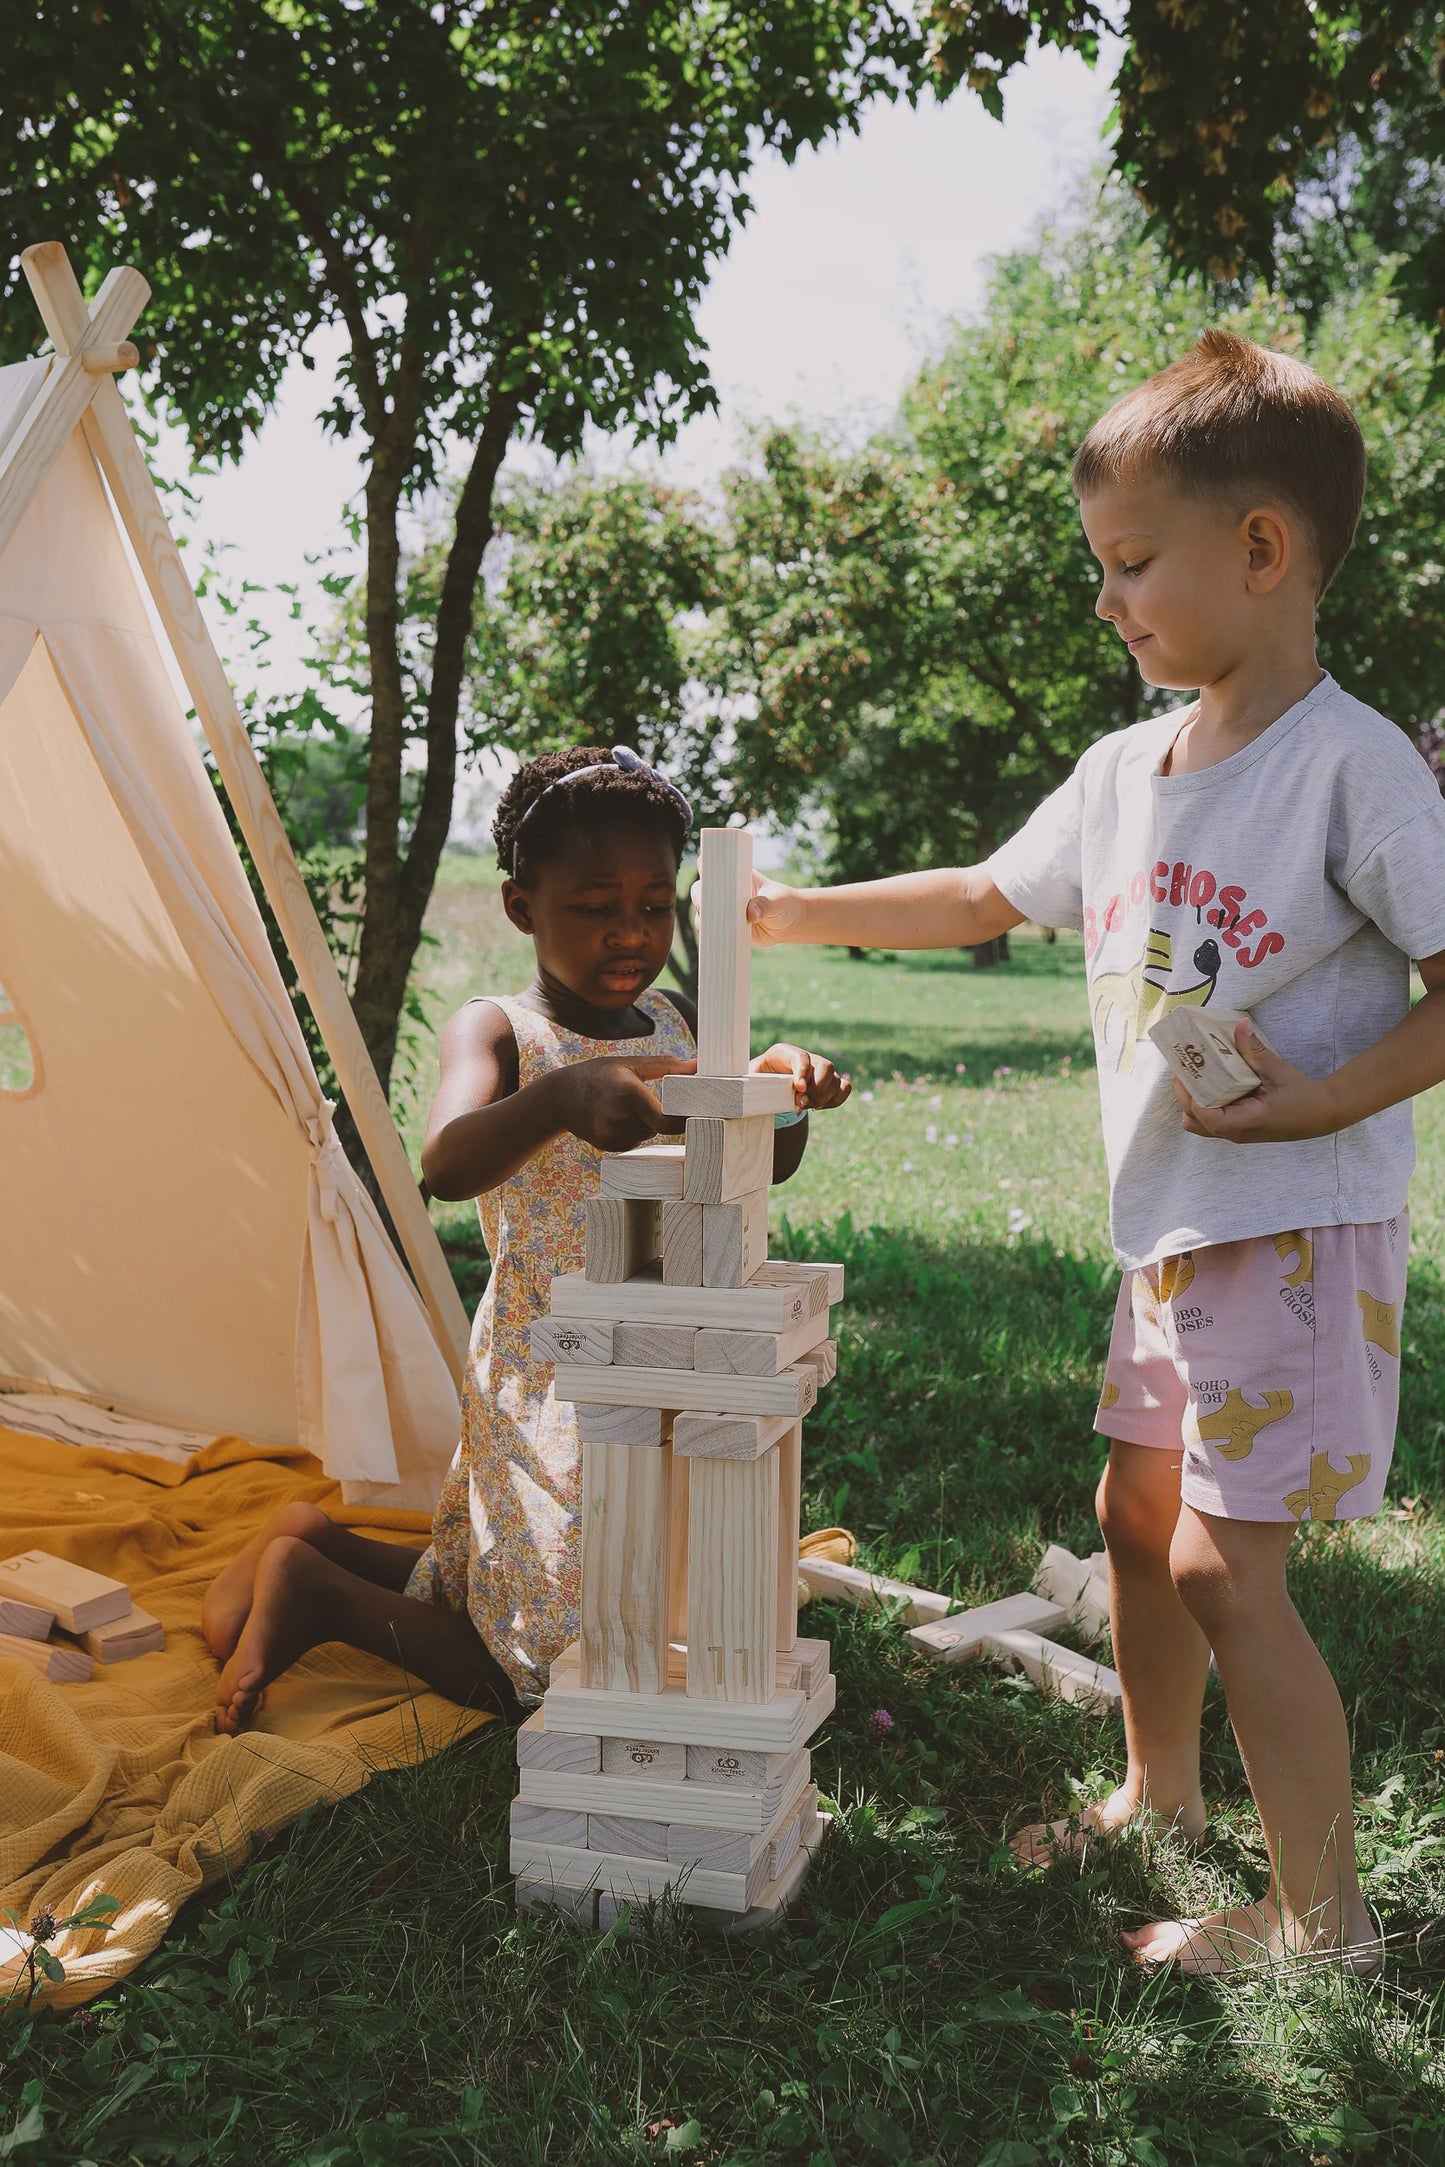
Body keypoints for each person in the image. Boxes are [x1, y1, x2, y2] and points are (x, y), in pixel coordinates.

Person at [738, 330, 1445, 1975]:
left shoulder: (1355, 768)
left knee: (1221, 1562)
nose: (1110, 599)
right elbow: (987, 895)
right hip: (1171, 1233)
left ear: (1261, 549)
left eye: (1135, 563)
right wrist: (787, 910)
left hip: (1290, 1229)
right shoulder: (1125, 772)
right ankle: (1161, 1790)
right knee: (1135, 1519)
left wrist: (1322, 1102)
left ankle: (1322, 1919)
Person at [205, 745, 849, 1736]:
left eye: (652, 904)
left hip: (651, 1350)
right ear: (520, 905)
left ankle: (321, 1542)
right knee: (552, 1660)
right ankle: (312, 1590)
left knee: (581, 1577)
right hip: (546, 1362)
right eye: (595, 906)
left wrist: (783, 1090)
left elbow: (754, 1160)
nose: (629, 931)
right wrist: (554, 1098)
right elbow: (445, 1162)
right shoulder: (501, 1029)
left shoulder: (671, 1020)